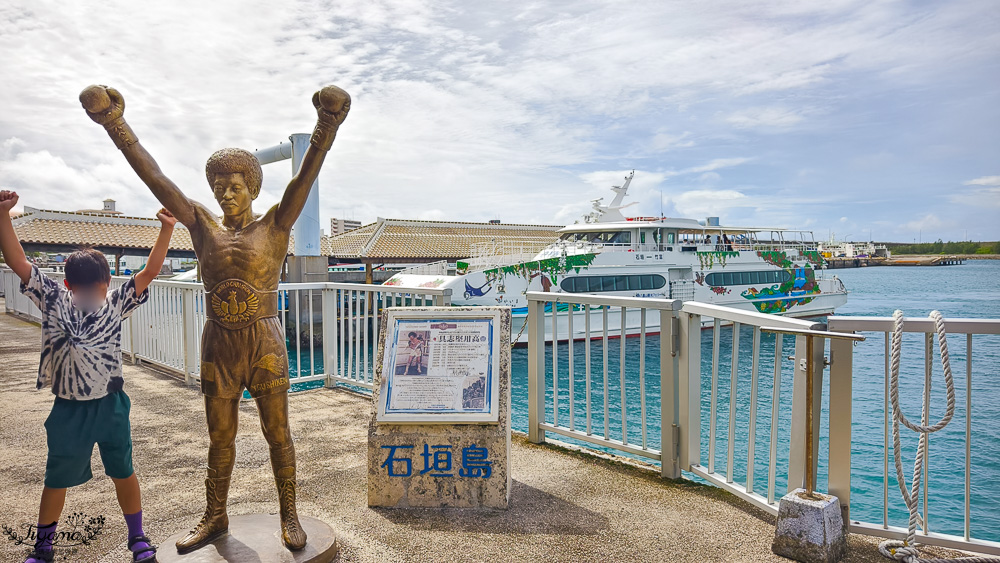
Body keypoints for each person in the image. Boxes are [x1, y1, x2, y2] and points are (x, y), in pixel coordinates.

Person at [80, 83, 350, 553]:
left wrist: (327, 125)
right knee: (219, 434)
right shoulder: (201, 225)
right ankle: (215, 515)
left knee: (277, 431)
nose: (226, 194)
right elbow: (157, 178)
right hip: (219, 342)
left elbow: (304, 178)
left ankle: (290, 515)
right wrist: (115, 125)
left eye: (235, 186)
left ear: (253, 189)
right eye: (218, 187)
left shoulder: (276, 225)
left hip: (264, 340)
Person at [0, 189, 175, 563]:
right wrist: (3, 216)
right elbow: (18, 260)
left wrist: (167, 229)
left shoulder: (99, 301)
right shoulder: (58, 298)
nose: (95, 296)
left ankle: (137, 538)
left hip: (109, 405)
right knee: (59, 478)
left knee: (122, 472)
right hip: (70, 409)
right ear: (70, 286)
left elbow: (150, 271)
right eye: (89, 290)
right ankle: (44, 547)